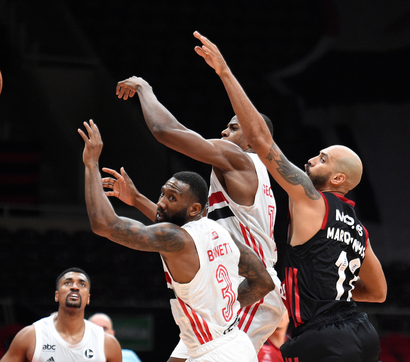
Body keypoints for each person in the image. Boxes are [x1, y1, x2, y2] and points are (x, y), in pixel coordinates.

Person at [192, 31, 387, 361]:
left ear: (339, 178)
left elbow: (259, 138)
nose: (312, 159)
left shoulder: (312, 198)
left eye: (323, 158)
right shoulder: (358, 229)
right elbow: (379, 292)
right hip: (362, 332)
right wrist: (329, 292)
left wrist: (224, 71)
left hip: (322, 336)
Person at [113, 76, 285, 361]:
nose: (223, 131)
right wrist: (137, 200)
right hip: (229, 286)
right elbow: (190, 236)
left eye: (233, 127)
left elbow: (166, 131)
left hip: (252, 284)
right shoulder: (242, 176)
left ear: (255, 137)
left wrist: (145, 88)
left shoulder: (241, 160)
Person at [78, 119, 274, 362]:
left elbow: (104, 224)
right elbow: (264, 282)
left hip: (215, 352)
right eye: (162, 193)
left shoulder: (176, 239)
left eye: (172, 198)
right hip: (230, 342)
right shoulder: (221, 232)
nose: (161, 202)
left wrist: (91, 163)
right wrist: (226, 310)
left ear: (193, 209)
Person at [0, 267, 122, 362]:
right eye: (68, 283)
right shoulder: (31, 335)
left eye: (82, 284)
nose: (75, 287)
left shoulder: (107, 343)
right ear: (57, 295)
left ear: (88, 298)